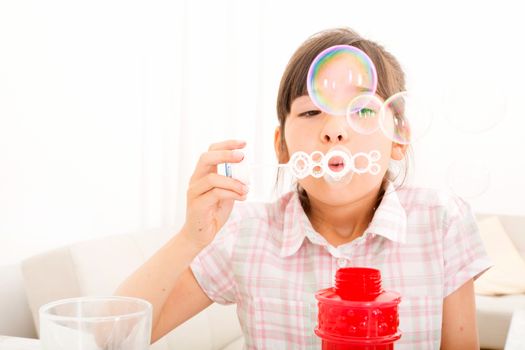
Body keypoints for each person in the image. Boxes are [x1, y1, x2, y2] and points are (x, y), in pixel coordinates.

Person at [115, 28, 491, 349]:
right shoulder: (245, 235)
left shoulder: (442, 221)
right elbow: (112, 338)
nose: (334, 130)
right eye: (311, 112)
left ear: (399, 136)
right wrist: (190, 239)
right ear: (281, 145)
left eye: (361, 110)